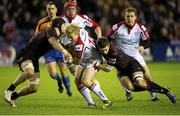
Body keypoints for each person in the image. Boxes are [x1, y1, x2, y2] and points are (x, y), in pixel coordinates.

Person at [4, 19, 72, 107]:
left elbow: (65, 46)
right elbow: (53, 42)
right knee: (29, 71)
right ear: (58, 25)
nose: (65, 27)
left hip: (34, 59)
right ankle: (9, 90)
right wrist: (64, 52)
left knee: (34, 88)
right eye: (64, 25)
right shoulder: (50, 30)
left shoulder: (59, 37)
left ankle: (13, 97)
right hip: (26, 55)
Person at [96, 37, 176, 104]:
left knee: (140, 83)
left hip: (131, 64)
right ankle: (151, 87)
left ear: (108, 45)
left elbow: (108, 69)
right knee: (130, 87)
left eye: (106, 49)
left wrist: (97, 65)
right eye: (102, 51)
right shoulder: (99, 47)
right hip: (122, 71)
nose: (105, 52)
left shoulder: (113, 52)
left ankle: (165, 91)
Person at [108, 7, 158, 101]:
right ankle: (127, 91)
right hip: (121, 57)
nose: (129, 18)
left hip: (135, 55)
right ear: (124, 17)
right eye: (127, 16)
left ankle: (153, 96)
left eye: (131, 16)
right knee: (123, 76)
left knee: (147, 76)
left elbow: (148, 41)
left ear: (135, 17)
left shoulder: (140, 28)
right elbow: (108, 39)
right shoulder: (117, 27)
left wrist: (142, 46)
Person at [63, 24, 112, 109]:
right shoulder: (81, 30)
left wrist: (69, 62)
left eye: (71, 37)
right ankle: (91, 104)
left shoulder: (79, 44)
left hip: (93, 58)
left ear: (76, 33)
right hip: (86, 58)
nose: (70, 39)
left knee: (85, 81)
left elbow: (77, 61)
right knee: (77, 81)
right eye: (68, 37)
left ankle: (106, 100)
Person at [35, 2, 72, 96]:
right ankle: (59, 81)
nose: (51, 11)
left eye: (52, 9)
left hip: (59, 48)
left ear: (56, 10)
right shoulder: (41, 22)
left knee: (64, 72)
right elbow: (36, 36)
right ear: (46, 10)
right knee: (52, 73)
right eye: (49, 9)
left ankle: (68, 91)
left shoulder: (61, 21)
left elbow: (66, 33)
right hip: (48, 50)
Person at [61, 0, 102, 76]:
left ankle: (91, 81)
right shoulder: (60, 20)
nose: (71, 11)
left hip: (83, 48)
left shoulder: (82, 18)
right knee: (75, 74)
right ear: (65, 10)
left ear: (76, 9)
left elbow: (96, 26)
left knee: (82, 78)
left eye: (73, 9)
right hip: (68, 49)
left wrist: (99, 38)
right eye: (69, 9)